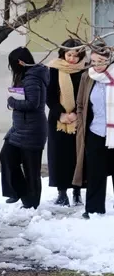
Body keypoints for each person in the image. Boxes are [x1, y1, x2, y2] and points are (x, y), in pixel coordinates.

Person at [0, 47, 49, 209]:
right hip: (19, 128)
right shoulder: (26, 76)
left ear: (20, 62)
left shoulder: (33, 78)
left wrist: (12, 101)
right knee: (6, 156)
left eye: (13, 64)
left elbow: (33, 104)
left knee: (31, 169)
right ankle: (19, 192)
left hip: (33, 130)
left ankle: (31, 203)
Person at [74, 48, 114, 219]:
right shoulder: (87, 76)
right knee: (95, 172)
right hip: (95, 131)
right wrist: (81, 123)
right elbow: (80, 104)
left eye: (101, 61)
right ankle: (94, 209)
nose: (97, 65)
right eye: (94, 61)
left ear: (110, 60)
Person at [47, 39, 86, 206]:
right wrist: (61, 114)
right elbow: (49, 95)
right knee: (59, 156)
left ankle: (77, 192)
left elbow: (86, 95)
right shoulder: (54, 68)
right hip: (58, 121)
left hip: (80, 118)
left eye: (76, 56)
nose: (72, 59)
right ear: (63, 54)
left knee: (78, 156)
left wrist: (77, 114)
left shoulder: (85, 70)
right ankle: (62, 193)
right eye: (69, 55)